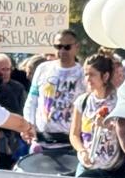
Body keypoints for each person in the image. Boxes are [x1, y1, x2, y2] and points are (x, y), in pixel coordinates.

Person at [23, 30, 86, 168]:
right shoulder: (43, 69)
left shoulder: (82, 73)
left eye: (67, 47)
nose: (62, 51)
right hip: (42, 140)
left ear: (77, 47)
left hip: (70, 143)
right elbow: (32, 100)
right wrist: (28, 125)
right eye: (58, 47)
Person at [67, 53, 122, 172]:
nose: (87, 79)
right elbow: (74, 134)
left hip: (113, 168)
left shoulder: (120, 101)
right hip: (87, 166)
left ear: (105, 76)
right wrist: (82, 151)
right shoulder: (82, 101)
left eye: (92, 75)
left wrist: (108, 126)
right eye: (86, 74)